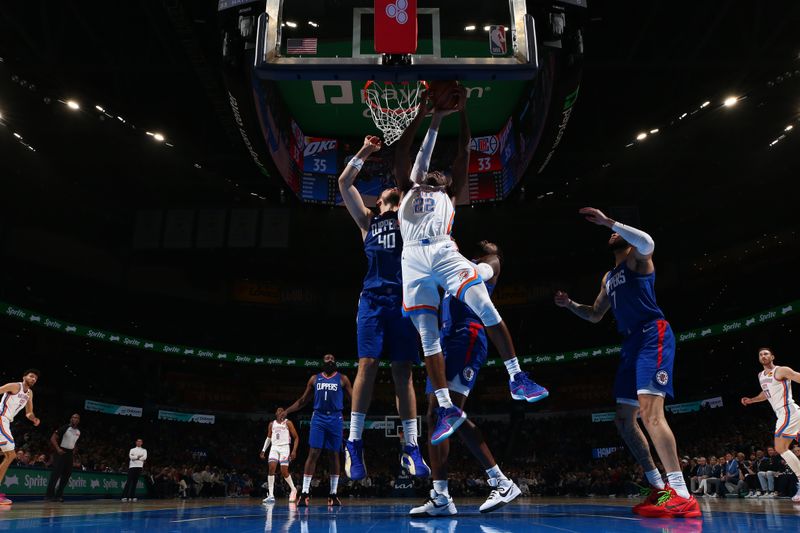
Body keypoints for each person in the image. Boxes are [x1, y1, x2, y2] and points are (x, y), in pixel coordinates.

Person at [391, 84, 548, 444]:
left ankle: (516, 377)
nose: (437, 174)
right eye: (432, 172)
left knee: (483, 304)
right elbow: (404, 153)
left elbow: (462, 152)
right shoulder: (407, 189)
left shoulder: (449, 194)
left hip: (445, 251)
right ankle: (446, 406)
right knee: (428, 336)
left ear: (448, 183)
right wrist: (423, 116)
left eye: (442, 174)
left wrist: (462, 114)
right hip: (412, 257)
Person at [554, 208, 700, 518]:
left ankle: (683, 494)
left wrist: (609, 221)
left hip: (652, 334)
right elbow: (594, 314)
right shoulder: (609, 277)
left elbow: (647, 241)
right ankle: (658, 487)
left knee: (650, 413)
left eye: (621, 232)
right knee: (623, 420)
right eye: (613, 231)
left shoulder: (638, 259)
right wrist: (569, 306)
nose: (615, 234)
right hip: (630, 343)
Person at [337, 141, 429, 480]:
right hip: (373, 301)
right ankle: (354, 442)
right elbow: (345, 185)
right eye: (387, 188)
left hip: (404, 301)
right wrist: (363, 152)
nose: (391, 186)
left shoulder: (410, 222)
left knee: (404, 372)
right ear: (378, 200)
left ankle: (411, 447)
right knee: (368, 364)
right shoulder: (366, 222)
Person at [411, 241, 521, 516]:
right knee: (434, 415)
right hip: (446, 338)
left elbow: (482, 268)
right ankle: (441, 496)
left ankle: (501, 481)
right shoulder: (453, 270)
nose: (487, 241)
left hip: (467, 334)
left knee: (449, 412)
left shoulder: (491, 261)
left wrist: (451, 255)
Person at [282, 354, 352, 507]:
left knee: (334, 455)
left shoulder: (343, 379)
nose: (329, 359)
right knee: (313, 452)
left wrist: (359, 414)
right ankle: (305, 492)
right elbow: (302, 401)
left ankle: (333, 494)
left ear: (335, 362)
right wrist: (287, 411)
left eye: (332, 358)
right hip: (318, 418)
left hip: (335, 418)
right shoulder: (314, 379)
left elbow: (353, 400)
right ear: (323, 363)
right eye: (326, 358)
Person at [741, 347, 800, 502]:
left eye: (766, 353)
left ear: (772, 356)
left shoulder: (781, 370)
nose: (763, 355)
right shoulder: (761, 375)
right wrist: (752, 400)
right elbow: (765, 394)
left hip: (788, 411)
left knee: (780, 447)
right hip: (783, 413)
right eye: (760, 354)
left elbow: (797, 376)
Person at [0, 369, 41, 506]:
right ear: (24, 377)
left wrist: (34, 419)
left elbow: (28, 412)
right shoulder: (15, 386)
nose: (33, 379)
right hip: (1, 418)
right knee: (10, 455)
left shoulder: (29, 393)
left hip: (7, 422)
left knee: (8, 455)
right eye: (31, 376)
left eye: (35, 378)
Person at [260, 407, 299, 503]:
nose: (281, 411)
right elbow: (268, 438)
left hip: (285, 447)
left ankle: (293, 489)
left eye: (282, 410)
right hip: (274, 447)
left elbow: (296, 437)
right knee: (271, 468)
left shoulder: (288, 423)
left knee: (284, 471)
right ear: (276, 413)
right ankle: (271, 495)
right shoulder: (271, 424)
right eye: (279, 410)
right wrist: (263, 450)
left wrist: (294, 451)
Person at [46, 413, 81, 502]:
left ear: (78, 421)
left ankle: (59, 495)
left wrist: (73, 451)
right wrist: (58, 449)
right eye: (73, 417)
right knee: (56, 474)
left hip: (69, 454)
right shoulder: (65, 428)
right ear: (71, 419)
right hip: (61, 452)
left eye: (77, 418)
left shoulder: (78, 432)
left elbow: (74, 442)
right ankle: (49, 496)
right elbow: (53, 438)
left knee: (66, 475)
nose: (75, 419)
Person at [122, 438, 147, 502]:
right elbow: (131, 457)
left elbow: (144, 457)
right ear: (136, 442)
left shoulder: (144, 450)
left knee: (135, 482)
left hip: (139, 467)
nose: (139, 442)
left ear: (142, 443)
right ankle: (124, 496)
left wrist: (135, 457)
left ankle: (131, 496)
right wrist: (139, 457)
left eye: (140, 441)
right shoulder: (132, 450)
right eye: (138, 441)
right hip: (132, 467)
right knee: (129, 481)